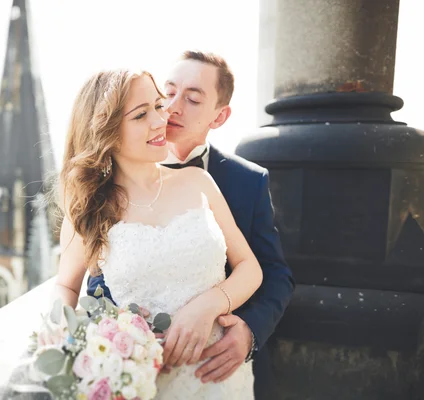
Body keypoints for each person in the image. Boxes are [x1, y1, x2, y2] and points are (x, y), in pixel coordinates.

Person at [88, 51, 295, 398]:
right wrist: (125, 348)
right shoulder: (110, 186)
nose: (173, 106)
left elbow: (274, 273)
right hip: (143, 373)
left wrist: (248, 332)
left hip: (218, 369)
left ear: (220, 116)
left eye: (193, 98)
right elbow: (100, 280)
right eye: (167, 92)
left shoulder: (248, 181)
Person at [55, 68, 263, 398]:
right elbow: (66, 286)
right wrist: (88, 348)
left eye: (157, 105)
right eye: (140, 115)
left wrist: (209, 304)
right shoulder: (89, 209)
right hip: (144, 383)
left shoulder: (198, 183)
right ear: (106, 131)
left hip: (220, 377)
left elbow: (250, 268)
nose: (159, 121)